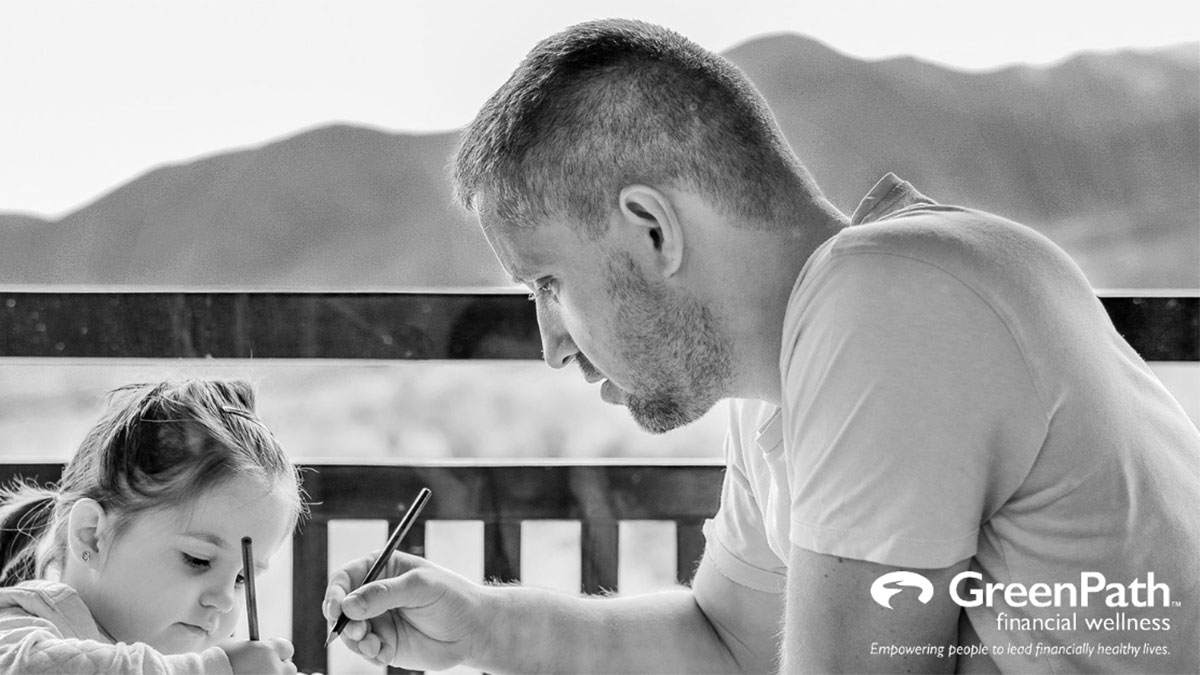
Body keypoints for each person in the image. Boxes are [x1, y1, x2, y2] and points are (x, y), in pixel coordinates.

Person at [323, 18, 1200, 674]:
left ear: (652, 231)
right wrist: (483, 624)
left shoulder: (887, 300)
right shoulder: (790, 366)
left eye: (548, 284)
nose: (552, 344)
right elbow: (728, 639)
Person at [0, 379, 307, 674]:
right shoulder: (19, 632)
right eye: (198, 560)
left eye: (241, 578)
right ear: (92, 536)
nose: (225, 600)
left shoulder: (183, 658)